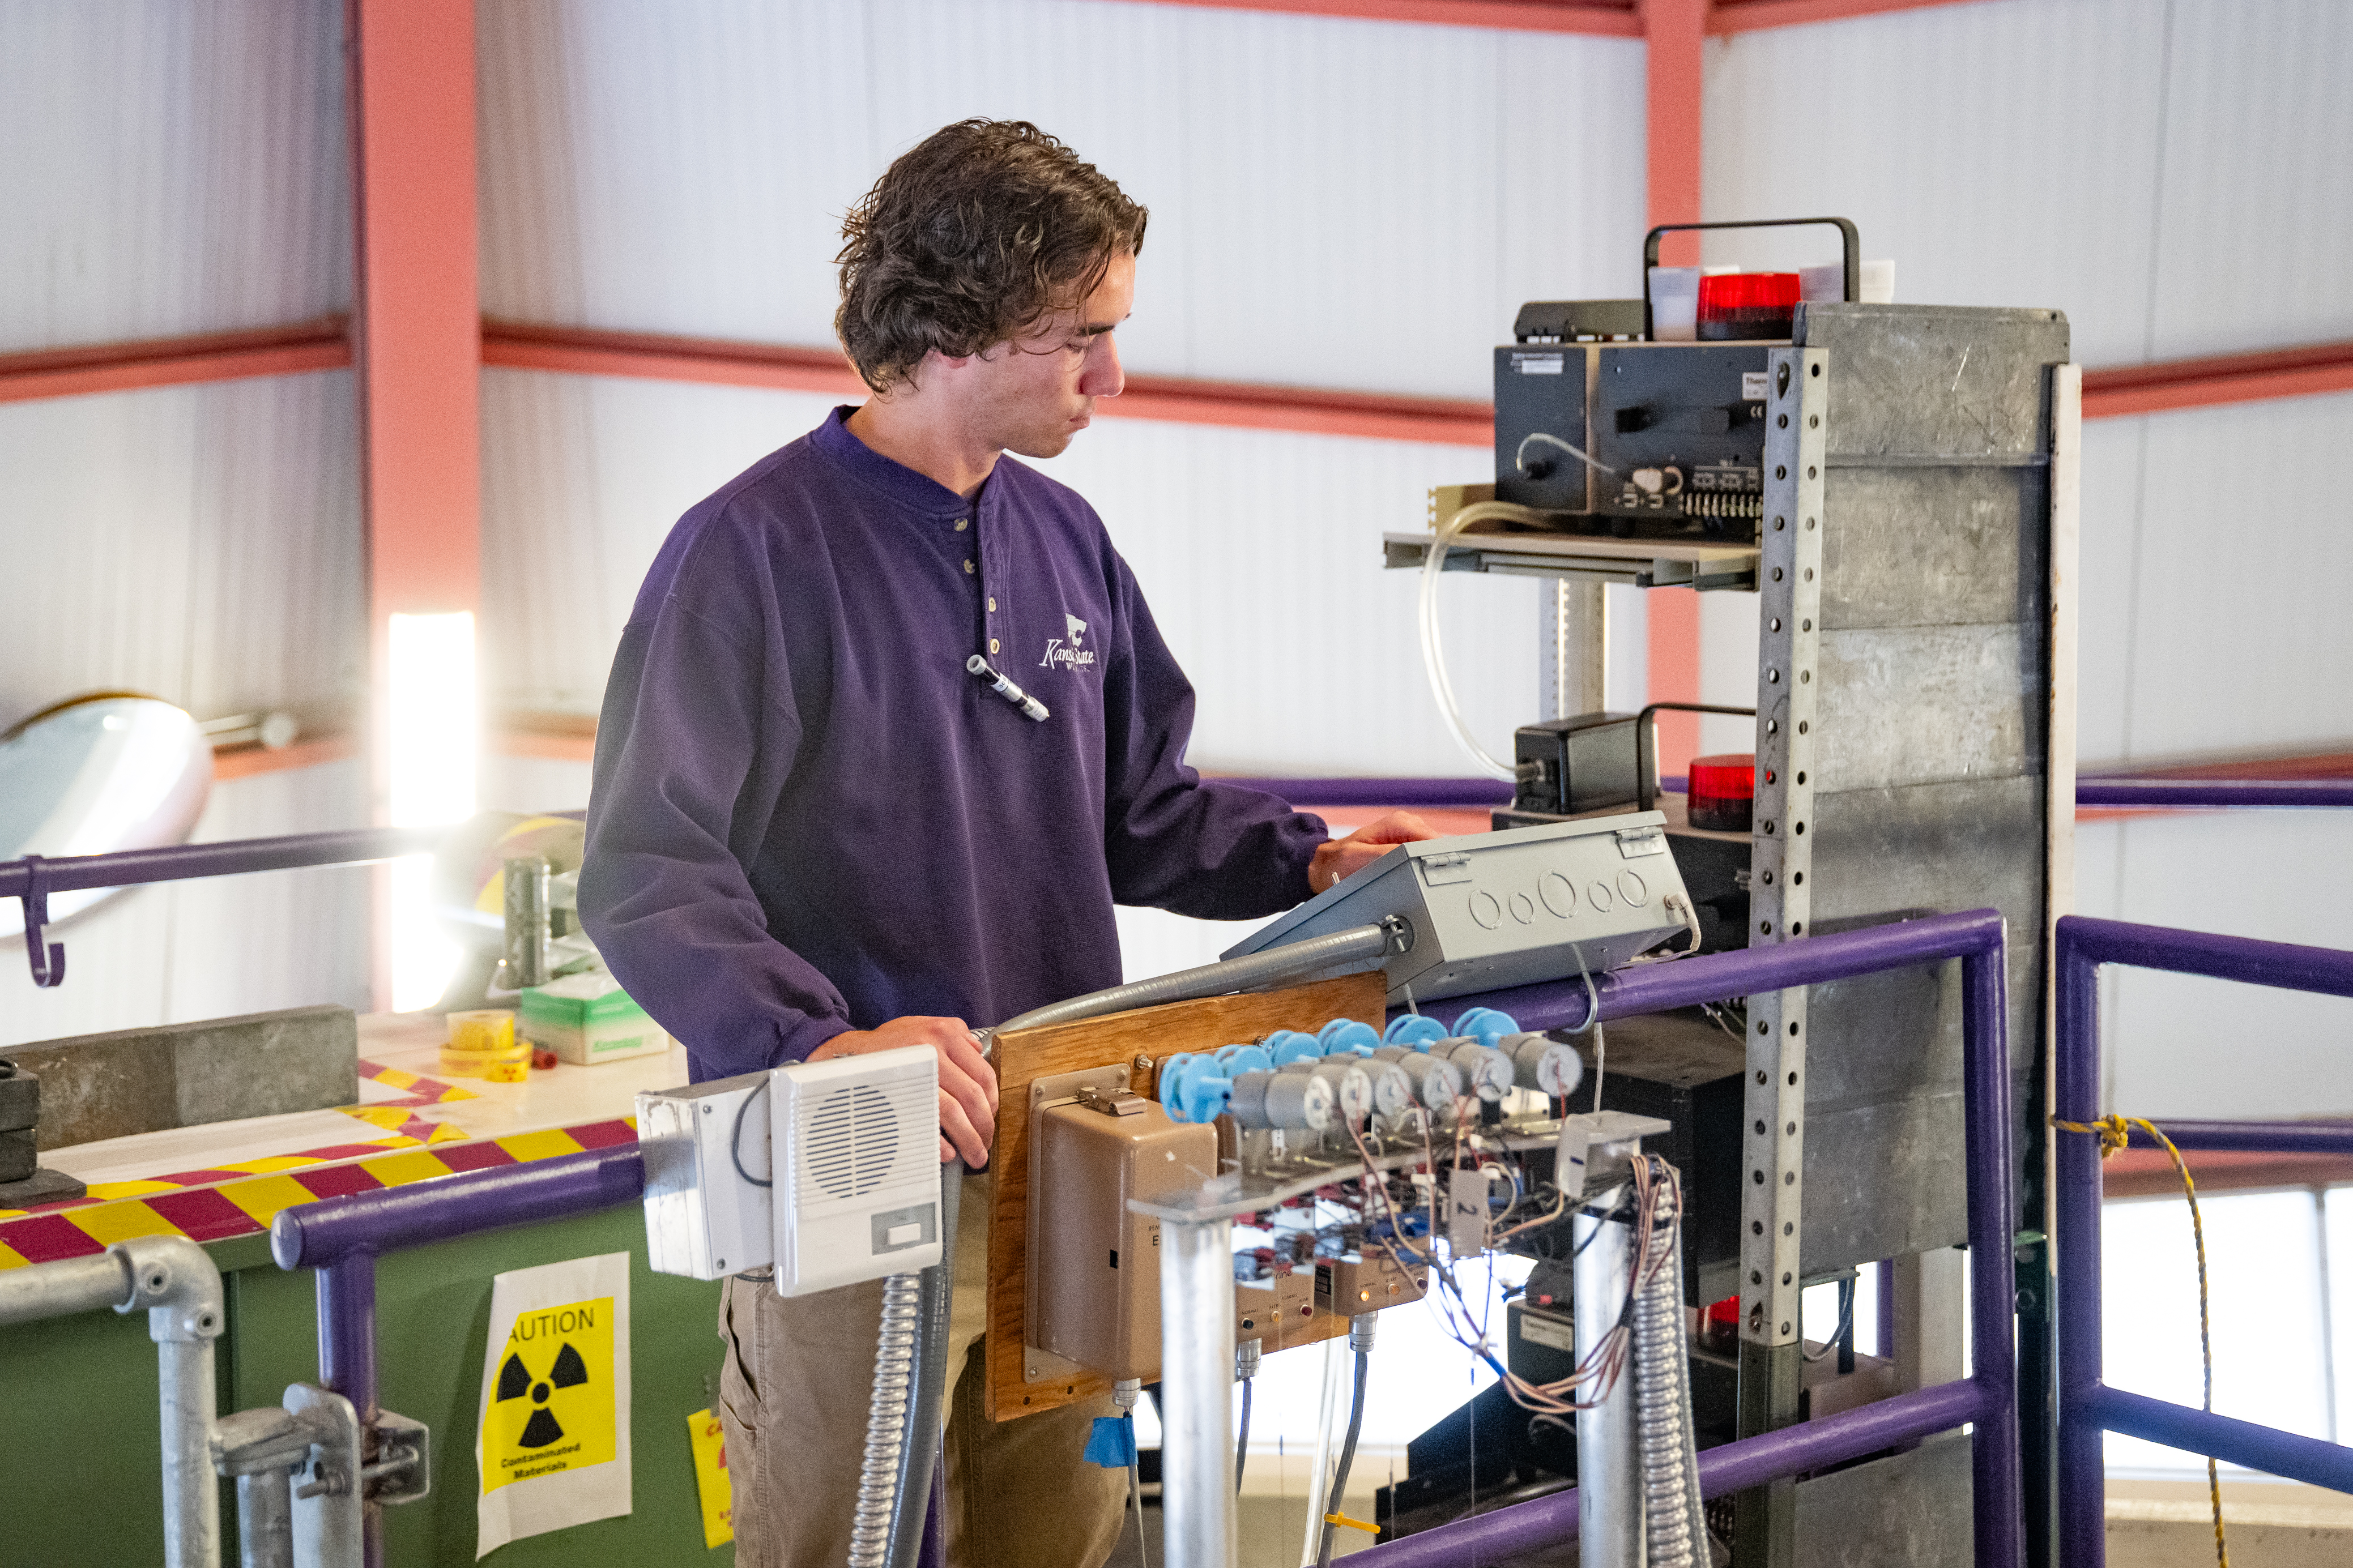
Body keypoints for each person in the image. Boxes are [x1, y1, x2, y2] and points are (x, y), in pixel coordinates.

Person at [578, 119, 1433, 1568]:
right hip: (847, 1154)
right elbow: (647, 869)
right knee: (835, 1543)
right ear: (960, 328)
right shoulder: (751, 553)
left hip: (1058, 1143)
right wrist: (807, 1040)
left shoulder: (1066, 537)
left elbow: (1139, 808)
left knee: (1063, 1535)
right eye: (1083, 337)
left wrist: (1308, 862)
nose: (1114, 377)